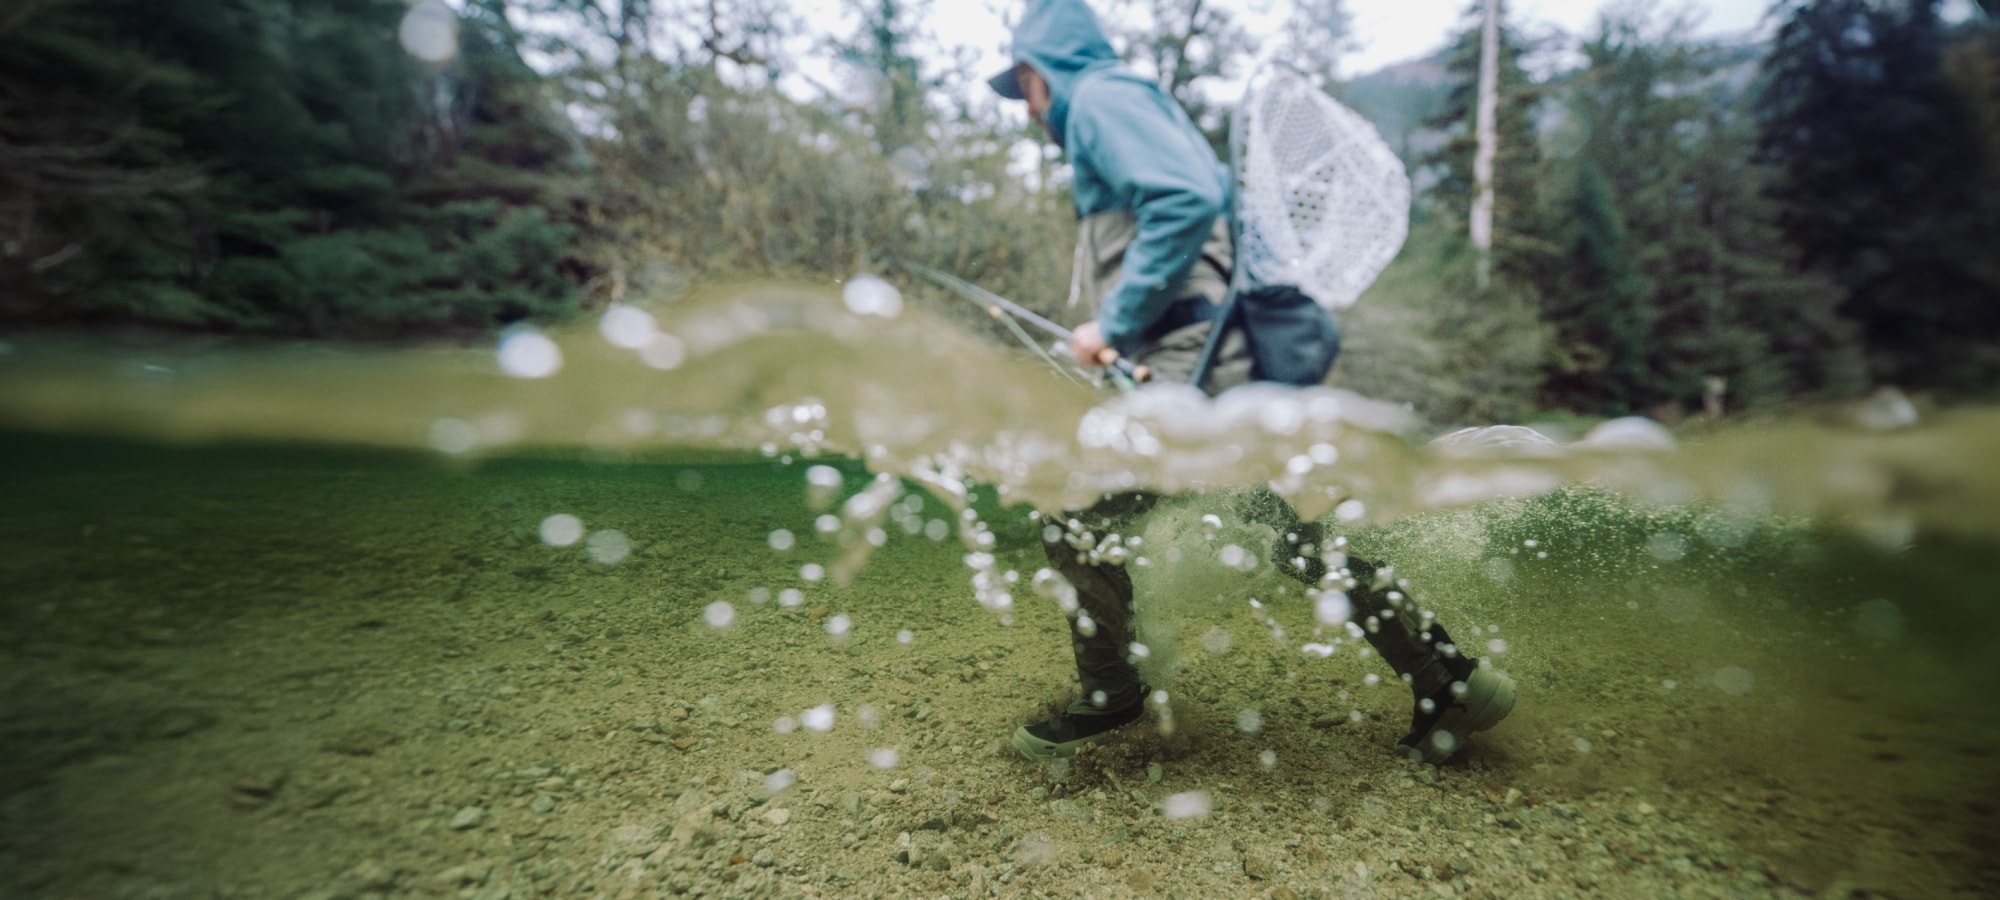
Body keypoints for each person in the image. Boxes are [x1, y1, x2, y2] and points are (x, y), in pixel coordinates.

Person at [989, 0, 1515, 766]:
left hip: (1197, 366)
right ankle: (1449, 679)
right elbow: (1194, 231)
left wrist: (1117, 323)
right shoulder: (1127, 104)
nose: (1028, 108)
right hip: (1218, 360)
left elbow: (1184, 201)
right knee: (1297, 525)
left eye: (1024, 86)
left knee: (1072, 510)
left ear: (1044, 69)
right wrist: (1123, 334)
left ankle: (1112, 694)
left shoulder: (1099, 99)